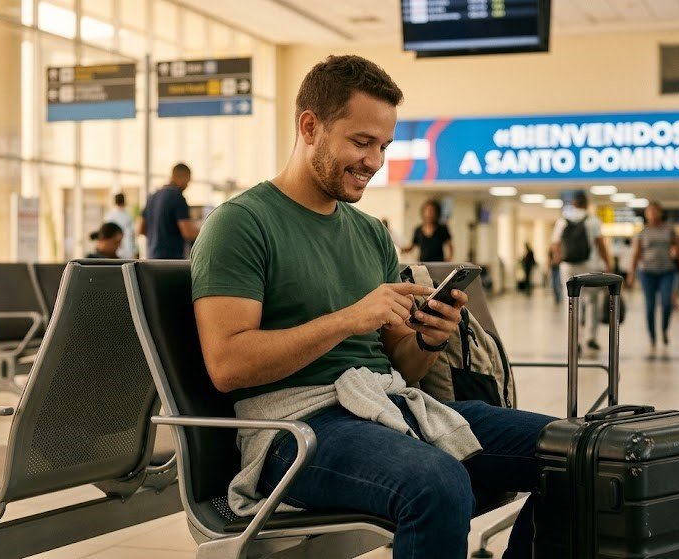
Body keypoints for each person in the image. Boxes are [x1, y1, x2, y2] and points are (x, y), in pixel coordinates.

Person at [190, 54, 556, 559]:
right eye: (361, 142)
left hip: (387, 404)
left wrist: (428, 337)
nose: (375, 161)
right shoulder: (239, 224)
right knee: (437, 483)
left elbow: (402, 364)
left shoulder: (369, 233)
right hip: (293, 432)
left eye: (383, 146)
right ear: (310, 126)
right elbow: (228, 366)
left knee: (574, 452)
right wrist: (349, 318)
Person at [550, 192, 611, 351]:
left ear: (574, 204)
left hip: (568, 265)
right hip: (589, 265)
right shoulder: (593, 220)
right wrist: (607, 264)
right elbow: (600, 244)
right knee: (592, 302)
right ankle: (591, 337)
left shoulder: (562, 220)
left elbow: (555, 244)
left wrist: (557, 258)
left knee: (570, 301)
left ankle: (574, 340)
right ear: (586, 204)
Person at [627, 201, 679, 351]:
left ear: (660, 212)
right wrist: (631, 274)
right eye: (649, 211)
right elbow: (636, 255)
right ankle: (652, 336)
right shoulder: (643, 232)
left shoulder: (669, 230)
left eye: (654, 211)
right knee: (650, 306)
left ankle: (664, 329)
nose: (652, 214)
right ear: (646, 214)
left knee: (666, 303)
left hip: (667, 271)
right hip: (647, 272)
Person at [139, 163, 199, 259]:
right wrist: (205, 233)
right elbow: (187, 232)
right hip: (171, 260)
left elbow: (141, 229)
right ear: (183, 176)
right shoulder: (177, 197)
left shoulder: (152, 197)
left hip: (151, 258)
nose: (187, 185)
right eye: (188, 181)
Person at [104, 193, 137, 259]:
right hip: (127, 251)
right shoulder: (128, 216)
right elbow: (132, 234)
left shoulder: (109, 216)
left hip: (113, 251)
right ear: (124, 202)